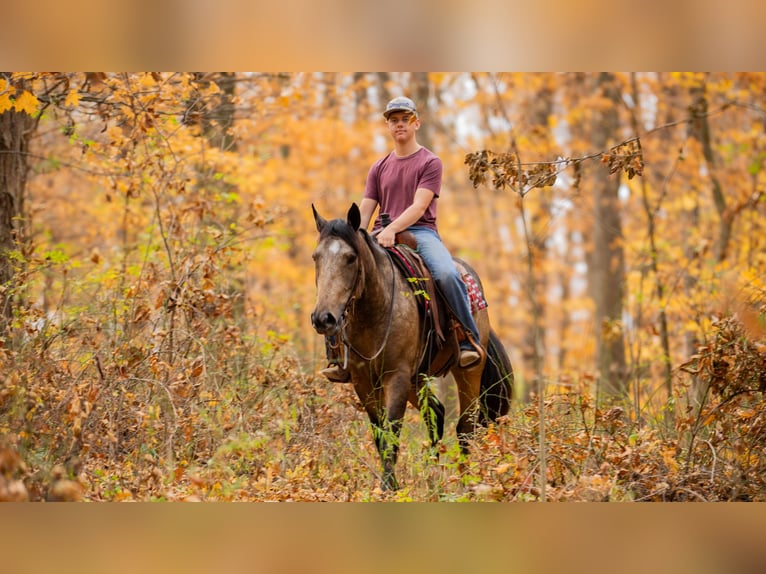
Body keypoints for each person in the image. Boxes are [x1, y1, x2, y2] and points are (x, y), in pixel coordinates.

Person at [320, 96, 483, 382]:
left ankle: (467, 339)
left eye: (405, 119)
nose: (399, 125)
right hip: (381, 232)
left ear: (416, 123)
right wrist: (355, 237)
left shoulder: (430, 162)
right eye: (393, 120)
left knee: (446, 273)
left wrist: (392, 229)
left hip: (420, 232)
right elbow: (366, 208)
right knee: (340, 268)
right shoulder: (378, 167)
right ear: (387, 126)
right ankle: (337, 355)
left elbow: (419, 206)